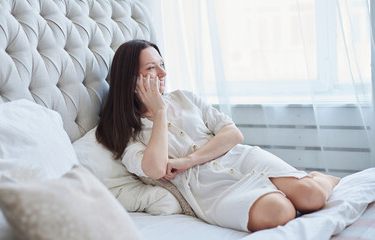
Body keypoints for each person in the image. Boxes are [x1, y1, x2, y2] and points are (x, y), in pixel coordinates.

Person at [96, 39, 340, 232]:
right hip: (209, 189)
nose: (163, 73)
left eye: (162, 64)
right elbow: (156, 169)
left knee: (313, 196)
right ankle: (293, 189)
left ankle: (321, 179)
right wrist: (159, 112)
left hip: (239, 158)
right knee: (279, 213)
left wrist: (188, 160)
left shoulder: (185, 97)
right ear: (131, 80)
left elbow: (233, 134)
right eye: (152, 68)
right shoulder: (125, 132)